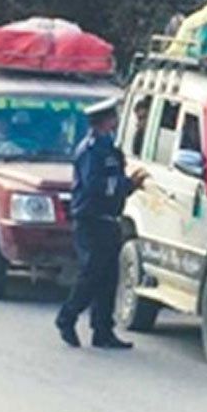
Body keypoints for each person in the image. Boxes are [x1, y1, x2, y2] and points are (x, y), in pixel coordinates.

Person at [56, 97, 148, 349]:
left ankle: (102, 331)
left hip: (109, 220)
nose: (116, 121)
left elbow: (113, 185)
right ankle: (67, 317)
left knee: (109, 277)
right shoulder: (91, 150)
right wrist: (128, 184)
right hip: (91, 219)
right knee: (91, 274)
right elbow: (96, 186)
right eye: (112, 118)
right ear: (103, 121)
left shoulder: (109, 149)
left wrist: (128, 186)